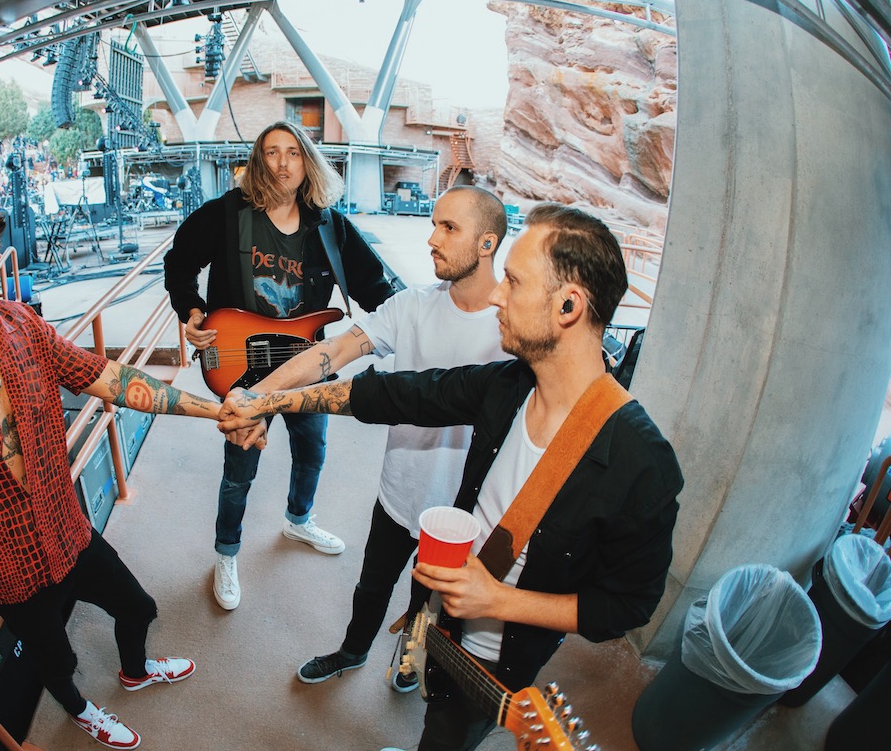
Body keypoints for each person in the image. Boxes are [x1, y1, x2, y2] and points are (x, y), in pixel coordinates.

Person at [220, 204, 683, 751]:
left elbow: (628, 605)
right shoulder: (509, 387)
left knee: (448, 734)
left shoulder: (642, 462)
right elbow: (391, 393)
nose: (496, 297)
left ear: (568, 305)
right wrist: (268, 400)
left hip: (497, 661)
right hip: (446, 620)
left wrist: (499, 601)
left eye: (513, 281)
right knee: (424, 682)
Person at [0, 185, 223, 750]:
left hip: (69, 531)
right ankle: (80, 710)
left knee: (139, 607)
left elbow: (104, 376)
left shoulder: (20, 326)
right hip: (7, 567)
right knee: (56, 661)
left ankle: (134, 669)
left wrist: (212, 409)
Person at [228, 186, 512, 690]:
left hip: (463, 511)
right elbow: (333, 353)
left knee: (429, 600)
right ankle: (353, 650)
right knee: (371, 585)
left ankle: (409, 654)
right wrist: (258, 396)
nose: (432, 239)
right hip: (399, 489)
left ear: (487, 243)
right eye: (433, 224)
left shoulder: (511, 331)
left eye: (449, 228)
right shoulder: (412, 308)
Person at [163, 120, 396, 611]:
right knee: (240, 466)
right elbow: (179, 261)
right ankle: (226, 553)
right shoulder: (228, 214)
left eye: (293, 152)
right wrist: (191, 311)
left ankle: (298, 518)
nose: (283, 163)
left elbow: (375, 286)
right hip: (242, 364)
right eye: (271, 152)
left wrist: (418, 313)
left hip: (308, 362)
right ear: (257, 161)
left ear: (307, 160)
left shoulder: (329, 225)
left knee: (312, 450)